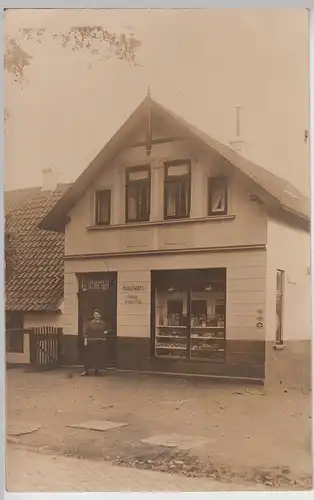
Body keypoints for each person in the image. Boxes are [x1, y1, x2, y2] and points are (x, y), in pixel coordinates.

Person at [81, 309, 108, 376]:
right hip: (91, 342)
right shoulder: (89, 323)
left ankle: (97, 371)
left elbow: (106, 331)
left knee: (98, 357)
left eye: (97, 314)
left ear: (100, 316)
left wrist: (105, 334)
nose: (96, 316)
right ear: (93, 315)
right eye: (95, 314)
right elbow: (86, 333)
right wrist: (85, 340)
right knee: (88, 357)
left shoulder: (103, 323)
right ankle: (86, 371)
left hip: (99, 342)